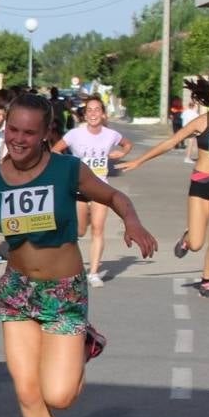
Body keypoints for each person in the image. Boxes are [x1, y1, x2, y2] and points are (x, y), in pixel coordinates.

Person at [0, 93, 157, 417]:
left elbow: (115, 197)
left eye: (30, 132)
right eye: (13, 130)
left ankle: (84, 342)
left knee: (59, 396)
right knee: (27, 389)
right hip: (17, 292)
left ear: (48, 133)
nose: (19, 139)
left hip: (63, 292)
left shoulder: (67, 170)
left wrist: (132, 223)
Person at [118, 76, 209, 298]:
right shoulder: (200, 122)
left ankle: (207, 281)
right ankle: (187, 238)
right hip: (202, 181)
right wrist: (139, 161)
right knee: (197, 243)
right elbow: (170, 142)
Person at [53, 95, 133, 286]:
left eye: (97, 110)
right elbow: (55, 150)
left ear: (103, 114)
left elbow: (128, 144)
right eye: (89, 110)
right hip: (79, 188)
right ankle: (73, 262)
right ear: (84, 114)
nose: (93, 113)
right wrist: (68, 166)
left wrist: (122, 153)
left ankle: (94, 273)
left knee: (98, 229)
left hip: (100, 188)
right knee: (80, 231)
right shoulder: (75, 134)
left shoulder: (110, 134)